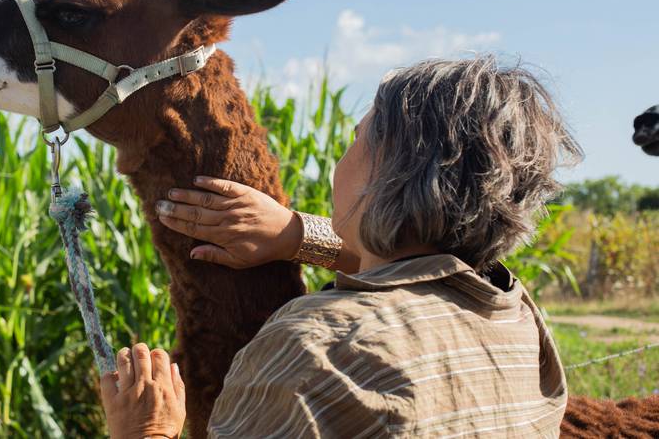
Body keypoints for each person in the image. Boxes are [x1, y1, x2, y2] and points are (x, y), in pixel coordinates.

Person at [99, 56, 582, 438]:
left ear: (388, 173)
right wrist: (296, 235)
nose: (340, 159)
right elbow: (425, 272)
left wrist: (148, 430)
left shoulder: (315, 348)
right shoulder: (517, 317)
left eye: (356, 140)